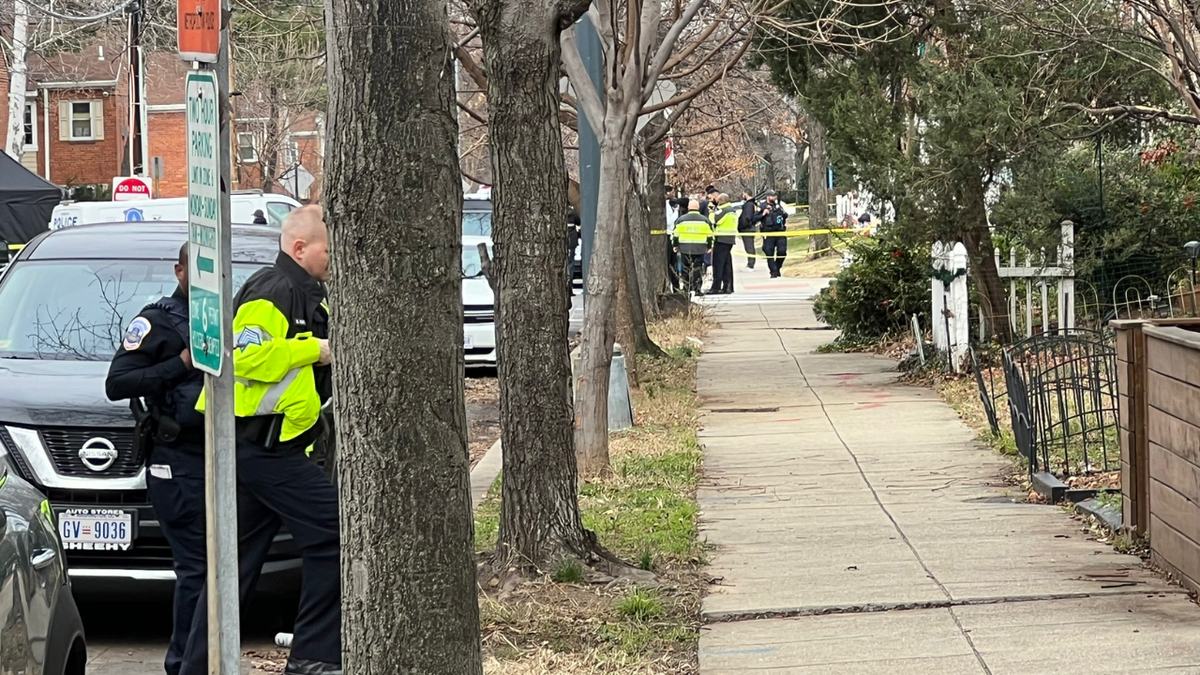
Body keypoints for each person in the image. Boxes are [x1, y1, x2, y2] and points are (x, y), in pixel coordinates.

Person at [179, 206, 340, 675]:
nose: (333, 258)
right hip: (261, 450)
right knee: (336, 533)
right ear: (299, 248)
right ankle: (313, 656)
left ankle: (197, 667)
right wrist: (316, 349)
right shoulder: (273, 289)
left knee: (235, 565)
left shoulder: (307, 293)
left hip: (261, 449)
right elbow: (243, 356)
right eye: (327, 249)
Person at [105, 243, 205, 675]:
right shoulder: (158, 320)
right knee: (197, 569)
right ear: (179, 270)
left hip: (214, 460)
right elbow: (118, 382)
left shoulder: (224, 318)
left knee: (213, 568)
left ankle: (199, 659)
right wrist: (180, 364)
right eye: (195, 269)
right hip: (175, 461)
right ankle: (183, 664)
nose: (203, 279)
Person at [673, 199, 712, 294]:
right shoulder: (705, 220)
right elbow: (710, 235)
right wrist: (709, 246)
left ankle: (687, 288)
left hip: (685, 248)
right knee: (697, 268)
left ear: (688, 207)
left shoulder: (681, 220)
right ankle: (697, 288)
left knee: (686, 268)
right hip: (700, 248)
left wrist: (675, 245)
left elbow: (675, 235)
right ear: (698, 208)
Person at [709, 193, 738, 294]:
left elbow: (715, 220)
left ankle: (716, 287)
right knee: (726, 264)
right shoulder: (731, 210)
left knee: (718, 264)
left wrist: (712, 211)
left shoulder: (724, 210)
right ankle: (728, 287)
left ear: (721, 200)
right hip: (729, 239)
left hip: (721, 239)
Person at [758, 191, 789, 278]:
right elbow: (754, 218)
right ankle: (773, 272)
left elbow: (785, 216)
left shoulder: (778, 206)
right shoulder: (762, 206)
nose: (774, 198)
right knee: (769, 252)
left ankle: (777, 268)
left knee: (782, 252)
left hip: (780, 232)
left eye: (775, 196)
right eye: (772, 196)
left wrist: (781, 211)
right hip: (768, 233)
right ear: (767, 197)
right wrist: (763, 214)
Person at [738, 190, 759, 270]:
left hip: (747, 229)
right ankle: (750, 263)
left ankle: (751, 265)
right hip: (748, 228)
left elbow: (747, 216)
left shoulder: (749, 205)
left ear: (746, 194)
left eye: (743, 193)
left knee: (749, 247)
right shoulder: (751, 204)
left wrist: (743, 225)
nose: (742, 195)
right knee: (749, 247)